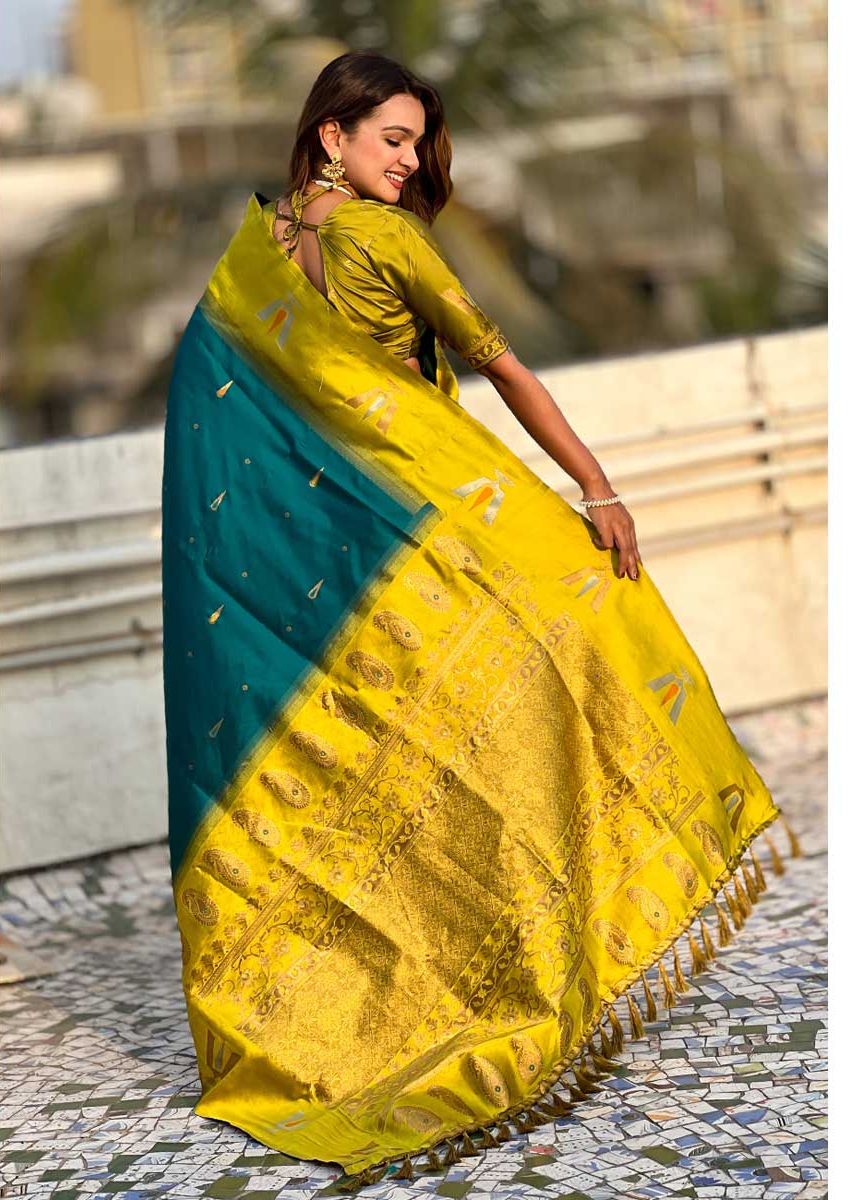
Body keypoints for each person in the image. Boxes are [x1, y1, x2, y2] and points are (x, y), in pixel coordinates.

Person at [161, 49, 797, 1191]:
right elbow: (504, 368)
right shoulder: (384, 238)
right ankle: (543, 939)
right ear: (331, 138)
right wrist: (596, 488)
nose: (412, 162)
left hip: (328, 572)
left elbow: (218, 423)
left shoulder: (252, 257)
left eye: (417, 142)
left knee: (376, 772)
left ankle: (381, 1004)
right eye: (393, 139)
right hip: (421, 538)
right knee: (583, 636)